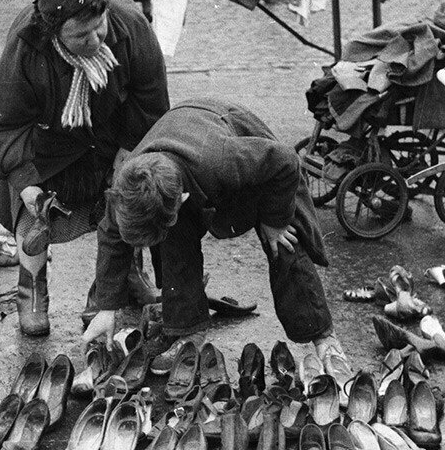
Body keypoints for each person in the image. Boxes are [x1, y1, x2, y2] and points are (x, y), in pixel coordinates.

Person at [82, 98, 353, 380]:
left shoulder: (222, 160)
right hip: (183, 146)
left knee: (284, 240)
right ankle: (188, 330)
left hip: (251, 154)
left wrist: (274, 220)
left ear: (182, 199)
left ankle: (324, 340)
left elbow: (285, 161)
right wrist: (107, 308)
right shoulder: (128, 188)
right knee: (175, 238)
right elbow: (111, 236)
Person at [0, 0, 169, 337]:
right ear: (54, 32)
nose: (96, 40)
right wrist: (27, 184)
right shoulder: (27, 47)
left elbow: (151, 97)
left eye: (99, 28)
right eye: (80, 36)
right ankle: (32, 290)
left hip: (112, 133)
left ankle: (117, 282)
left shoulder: (129, 24)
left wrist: (130, 148)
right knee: (33, 217)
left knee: (130, 191)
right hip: (50, 144)